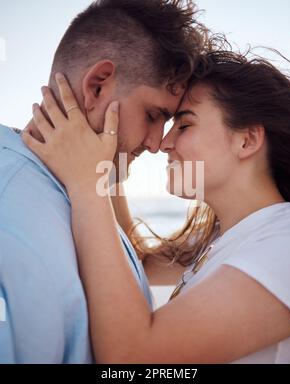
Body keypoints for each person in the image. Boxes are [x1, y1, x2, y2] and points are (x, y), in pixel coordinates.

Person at [24, 49, 290, 363]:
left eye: (184, 126)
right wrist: (109, 158)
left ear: (247, 140)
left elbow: (135, 358)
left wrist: (87, 185)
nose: (163, 144)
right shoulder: (220, 241)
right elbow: (127, 263)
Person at [0, 0, 207, 363]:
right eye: (153, 115)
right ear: (97, 87)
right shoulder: (10, 201)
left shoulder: (80, 189)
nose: (157, 143)